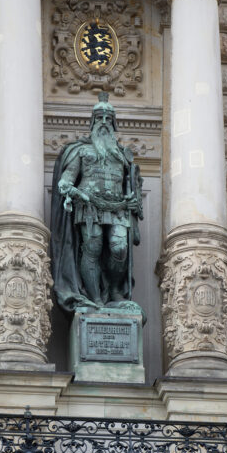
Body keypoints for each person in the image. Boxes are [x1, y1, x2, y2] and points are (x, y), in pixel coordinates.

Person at [51, 92, 143, 313]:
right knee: (92, 246)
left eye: (108, 119)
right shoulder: (81, 151)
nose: (104, 123)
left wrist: (134, 201)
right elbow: (66, 181)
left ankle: (114, 292)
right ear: (93, 121)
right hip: (89, 206)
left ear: (113, 124)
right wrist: (73, 191)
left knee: (119, 248)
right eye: (100, 117)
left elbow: (133, 189)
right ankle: (96, 300)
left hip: (117, 208)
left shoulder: (122, 156)